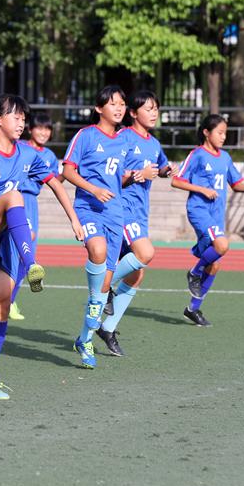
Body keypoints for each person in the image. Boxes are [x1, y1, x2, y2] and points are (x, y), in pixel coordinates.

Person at [0, 95, 83, 398]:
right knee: (15, 197)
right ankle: (31, 265)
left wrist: (74, 220)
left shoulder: (27, 154)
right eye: (16, 116)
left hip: (4, 237)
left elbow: (55, 183)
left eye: (23, 116)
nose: (22, 121)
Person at [97, 90, 176, 356]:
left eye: (156, 109)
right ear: (133, 113)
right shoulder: (123, 138)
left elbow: (160, 167)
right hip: (121, 211)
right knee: (146, 254)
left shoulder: (153, 143)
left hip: (140, 213)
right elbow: (111, 179)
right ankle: (103, 285)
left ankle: (107, 328)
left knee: (137, 273)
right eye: (148, 108)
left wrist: (166, 170)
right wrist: (135, 176)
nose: (154, 113)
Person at [171, 114, 244, 327]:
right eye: (220, 132)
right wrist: (201, 189)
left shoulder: (224, 157)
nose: (224, 137)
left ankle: (192, 309)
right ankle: (193, 273)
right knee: (222, 245)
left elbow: (237, 183)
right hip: (199, 210)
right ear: (206, 132)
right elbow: (176, 181)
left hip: (216, 215)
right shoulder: (197, 155)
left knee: (213, 266)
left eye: (225, 133)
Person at [62, 85, 129, 368]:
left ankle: (84, 338)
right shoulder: (86, 136)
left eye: (122, 103)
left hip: (115, 214)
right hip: (89, 209)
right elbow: (67, 171)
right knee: (97, 250)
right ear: (99, 108)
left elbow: (118, 178)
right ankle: (93, 308)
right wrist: (93, 189)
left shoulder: (125, 140)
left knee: (102, 287)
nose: (119, 108)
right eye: (113, 103)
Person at [7, 111, 62, 321]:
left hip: (32, 204)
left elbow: (55, 181)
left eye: (47, 128)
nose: (43, 132)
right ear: (30, 129)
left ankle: (9, 299)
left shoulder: (48, 155)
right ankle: (7, 301)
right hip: (17, 200)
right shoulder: (21, 148)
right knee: (22, 253)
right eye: (39, 127)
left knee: (27, 258)